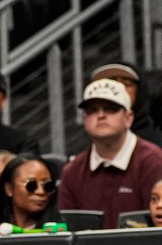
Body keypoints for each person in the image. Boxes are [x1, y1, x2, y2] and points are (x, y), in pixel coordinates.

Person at [59, 79, 162, 229]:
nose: (100, 115)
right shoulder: (72, 171)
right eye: (92, 110)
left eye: (111, 108)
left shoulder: (154, 162)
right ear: (84, 119)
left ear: (129, 117)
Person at [0, 154, 61, 235]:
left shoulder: (58, 231)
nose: (41, 191)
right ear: (9, 189)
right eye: (31, 185)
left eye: (47, 185)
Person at [90, 62, 162, 146]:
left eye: (126, 83)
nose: (119, 88)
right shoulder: (85, 147)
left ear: (140, 91)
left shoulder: (156, 147)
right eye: (111, 83)